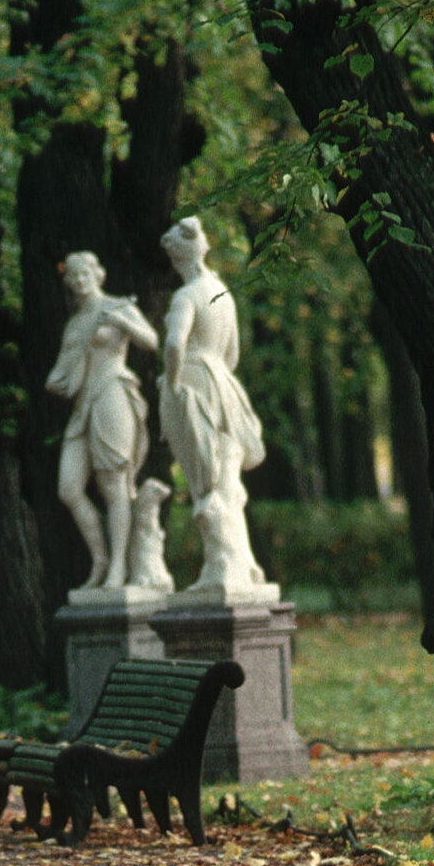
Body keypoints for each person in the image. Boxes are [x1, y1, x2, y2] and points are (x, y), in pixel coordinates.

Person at [156, 216, 268, 591]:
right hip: (223, 384)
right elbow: (233, 353)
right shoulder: (222, 292)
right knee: (227, 480)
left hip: (192, 382)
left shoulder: (186, 296)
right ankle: (243, 568)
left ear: (178, 257)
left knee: (207, 480)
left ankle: (221, 569)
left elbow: (174, 345)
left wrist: (171, 385)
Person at [46, 252, 160, 590]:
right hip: (83, 405)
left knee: (114, 484)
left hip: (112, 394)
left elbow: (151, 341)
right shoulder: (75, 322)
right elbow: (63, 370)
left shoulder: (117, 306)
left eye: (85, 274)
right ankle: (101, 559)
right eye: (74, 276)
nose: (80, 280)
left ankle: (119, 568)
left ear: (99, 274)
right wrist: (56, 381)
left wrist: (122, 323)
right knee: (69, 488)